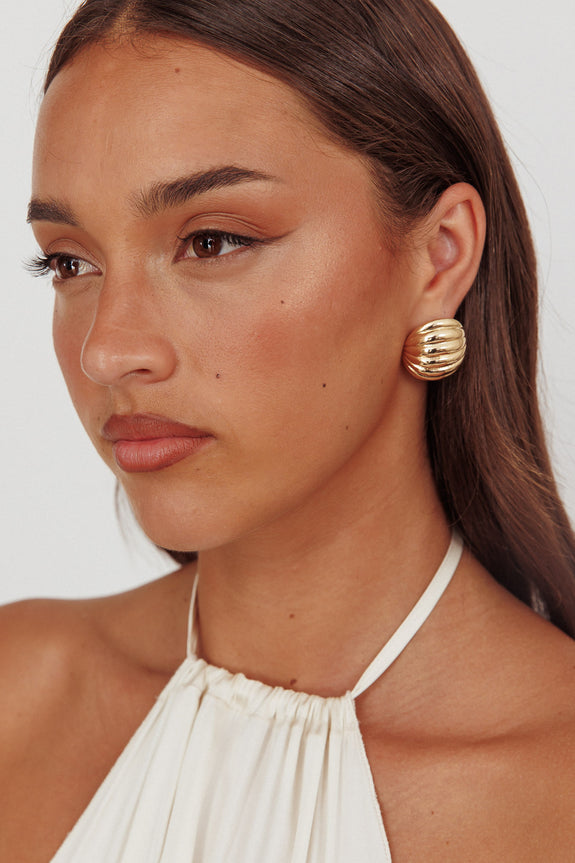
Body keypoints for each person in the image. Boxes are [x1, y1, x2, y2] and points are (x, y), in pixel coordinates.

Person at [2, 0, 575, 859]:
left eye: (211, 241)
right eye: (70, 261)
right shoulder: (18, 695)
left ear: (439, 256)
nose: (108, 349)